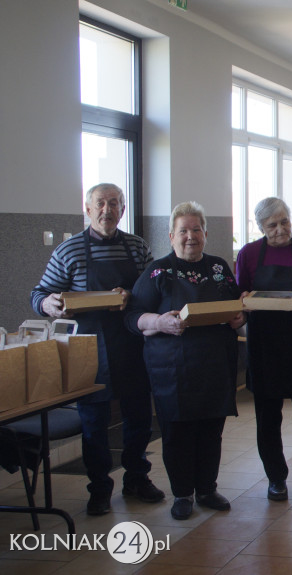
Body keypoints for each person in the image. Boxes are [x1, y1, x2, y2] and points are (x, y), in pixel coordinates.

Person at [30, 183, 163, 516]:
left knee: (139, 418)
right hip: (88, 348)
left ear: (123, 208)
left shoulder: (137, 247)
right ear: (88, 209)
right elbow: (40, 293)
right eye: (101, 203)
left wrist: (131, 295)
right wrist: (50, 304)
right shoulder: (69, 250)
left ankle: (136, 477)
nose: (108, 210)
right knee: (94, 422)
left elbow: (151, 291)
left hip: (131, 344)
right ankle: (100, 488)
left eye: (115, 203)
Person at [125, 201, 245, 520]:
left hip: (215, 366)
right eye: (183, 231)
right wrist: (159, 322)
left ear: (206, 233)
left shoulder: (219, 267)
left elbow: (237, 307)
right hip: (172, 369)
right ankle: (182, 494)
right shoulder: (157, 271)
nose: (190, 236)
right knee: (177, 433)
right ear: (171, 236)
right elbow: (132, 316)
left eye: (196, 230)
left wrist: (239, 318)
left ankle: (207, 488)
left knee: (210, 430)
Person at [235, 197, 292, 502]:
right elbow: (241, 294)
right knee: (267, 415)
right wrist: (245, 301)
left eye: (284, 221)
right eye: (272, 225)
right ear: (260, 227)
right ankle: (276, 478)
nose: (280, 229)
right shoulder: (248, 253)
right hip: (264, 344)